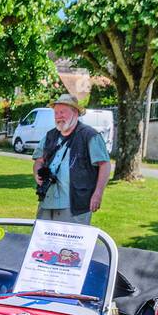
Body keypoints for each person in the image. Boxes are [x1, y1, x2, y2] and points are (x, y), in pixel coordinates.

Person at [32, 93, 111, 224]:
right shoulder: (50, 135)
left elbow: (105, 164)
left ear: (75, 112)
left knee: (71, 243)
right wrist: (37, 174)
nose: (58, 116)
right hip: (47, 200)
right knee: (42, 242)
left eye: (63, 112)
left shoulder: (89, 135)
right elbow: (39, 160)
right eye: (56, 113)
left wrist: (98, 194)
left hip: (76, 204)